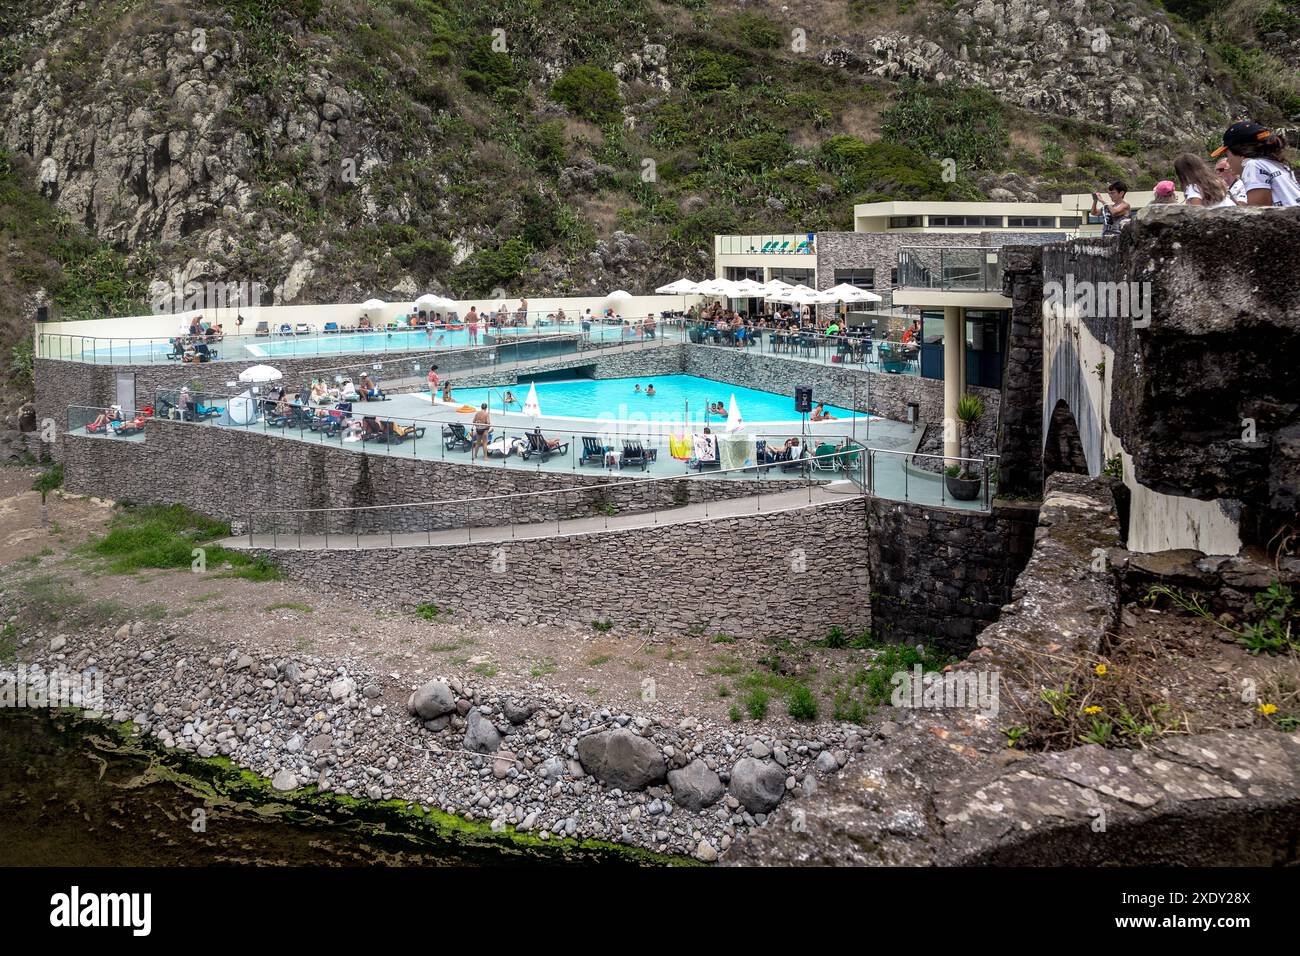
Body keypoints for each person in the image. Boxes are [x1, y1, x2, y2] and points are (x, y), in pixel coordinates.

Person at [1212, 121, 1299, 207]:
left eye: (1227, 154)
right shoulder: (1276, 164)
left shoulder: (1253, 166)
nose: (1228, 161)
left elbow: (1259, 214)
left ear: (1240, 152)